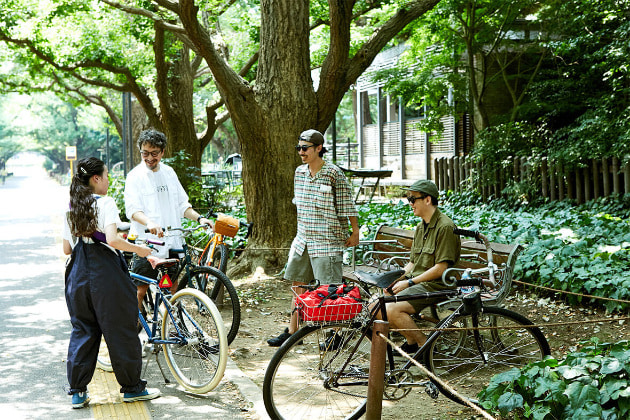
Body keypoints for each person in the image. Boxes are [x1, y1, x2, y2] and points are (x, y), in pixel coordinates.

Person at [62, 157, 160, 409]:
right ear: (96, 179)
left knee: (83, 329)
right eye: (106, 176)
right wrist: (139, 249)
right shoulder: (105, 202)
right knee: (120, 329)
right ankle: (132, 388)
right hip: (105, 274)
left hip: (78, 274)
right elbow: (113, 240)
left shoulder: (73, 205)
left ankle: (78, 391)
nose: (108, 180)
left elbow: (66, 248)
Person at [267, 129, 360, 346]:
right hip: (303, 239)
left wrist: (355, 232)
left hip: (327, 242)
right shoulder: (299, 173)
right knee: (298, 286)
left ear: (319, 148)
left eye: (305, 148)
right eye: (299, 148)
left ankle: (335, 335)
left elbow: (348, 206)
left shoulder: (334, 173)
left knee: (331, 290)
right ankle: (292, 332)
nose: (301, 152)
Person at [124, 128, 213, 306]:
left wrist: (200, 219)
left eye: (154, 153)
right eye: (145, 153)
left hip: (172, 241)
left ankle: (171, 327)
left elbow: (182, 205)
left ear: (162, 152)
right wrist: (149, 223)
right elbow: (133, 210)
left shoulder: (169, 173)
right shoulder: (135, 176)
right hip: (147, 242)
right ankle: (131, 329)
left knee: (172, 288)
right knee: (140, 290)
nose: (149, 158)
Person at [379, 179, 460, 354]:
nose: (410, 203)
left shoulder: (445, 227)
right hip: (418, 282)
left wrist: (409, 283)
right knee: (374, 306)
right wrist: (395, 281)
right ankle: (411, 342)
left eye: (413, 199)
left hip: (437, 284)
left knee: (390, 309)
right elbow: (412, 264)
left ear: (428, 200)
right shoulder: (420, 227)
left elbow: (441, 268)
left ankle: (425, 346)